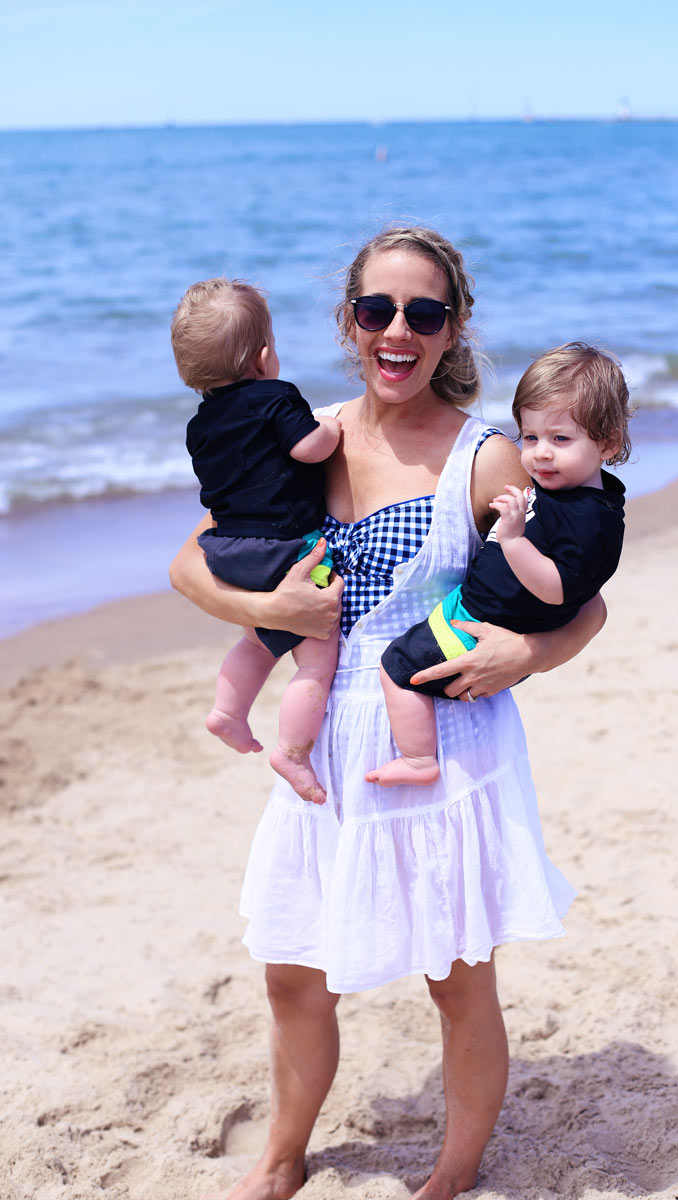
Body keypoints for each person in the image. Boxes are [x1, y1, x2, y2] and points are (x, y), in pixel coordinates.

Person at [170, 227, 608, 1200]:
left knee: (455, 980)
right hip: (325, 739)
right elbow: (188, 563)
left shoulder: (486, 459)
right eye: (376, 311)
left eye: (423, 312)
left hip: (443, 744)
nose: (397, 331)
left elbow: (584, 601)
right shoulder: (303, 436)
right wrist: (267, 610)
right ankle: (282, 1156)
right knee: (289, 967)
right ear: (348, 322)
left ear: (453, 330)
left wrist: (522, 653)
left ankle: (450, 1175)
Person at [368, 342, 630, 787]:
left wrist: (510, 539)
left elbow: (560, 589)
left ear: (607, 443)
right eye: (529, 437)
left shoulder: (592, 517)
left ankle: (417, 759)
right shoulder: (568, 493)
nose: (540, 453)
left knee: (396, 667)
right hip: (471, 610)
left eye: (559, 439)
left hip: (480, 630)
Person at [172, 277, 341, 805]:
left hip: (227, 553)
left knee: (256, 641)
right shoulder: (275, 396)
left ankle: (228, 711)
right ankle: (292, 751)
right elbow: (310, 448)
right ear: (265, 356)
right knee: (316, 658)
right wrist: (332, 429)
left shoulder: (199, 426)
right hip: (285, 548)